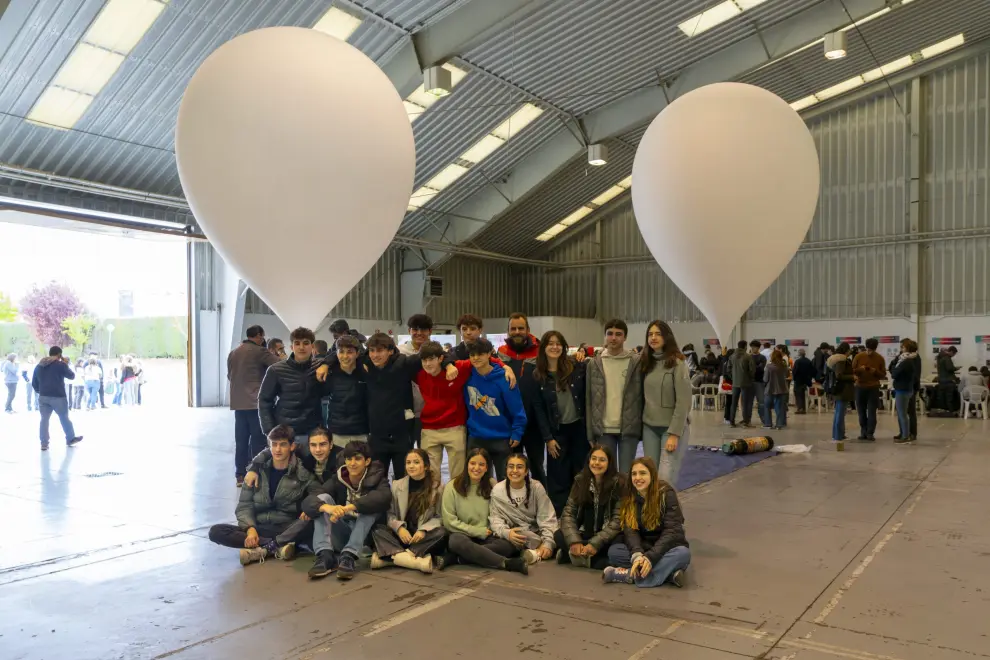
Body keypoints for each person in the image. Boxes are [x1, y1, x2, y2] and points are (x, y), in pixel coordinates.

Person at [207, 425, 314, 566]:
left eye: (282, 445)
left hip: (286, 526)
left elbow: (314, 496)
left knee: (311, 523)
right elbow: (244, 505)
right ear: (269, 446)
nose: (277, 449)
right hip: (259, 526)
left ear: (292, 446)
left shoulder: (302, 474)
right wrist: (250, 529)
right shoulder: (255, 473)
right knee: (216, 531)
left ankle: (265, 548)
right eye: (274, 445)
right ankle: (276, 547)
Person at [417, 340, 514, 481]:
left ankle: (456, 501)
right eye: (424, 360)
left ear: (441, 358)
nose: (427, 364)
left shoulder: (459, 368)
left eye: (431, 359)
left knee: (458, 475)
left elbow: (483, 359)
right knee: (430, 476)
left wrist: (505, 366)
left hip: (454, 427)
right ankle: (434, 503)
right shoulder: (419, 374)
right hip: (429, 429)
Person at [304, 440, 391, 580]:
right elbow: (310, 500)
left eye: (357, 459)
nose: (352, 463)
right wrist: (328, 508)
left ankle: (348, 556)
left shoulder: (378, 478)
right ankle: (325, 556)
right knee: (322, 498)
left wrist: (349, 507)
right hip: (343, 532)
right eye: (349, 459)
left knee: (371, 506)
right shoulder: (338, 478)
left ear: (367, 461)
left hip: (367, 538)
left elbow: (384, 497)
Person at [525, 330, 587, 515]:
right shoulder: (538, 375)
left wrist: (584, 353)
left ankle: (581, 512)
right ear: (543, 348)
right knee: (557, 476)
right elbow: (539, 410)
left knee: (580, 473)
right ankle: (560, 515)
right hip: (556, 432)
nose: (554, 347)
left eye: (558, 343)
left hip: (578, 429)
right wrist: (548, 438)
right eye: (550, 343)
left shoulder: (575, 367)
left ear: (564, 347)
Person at [439, 448, 529, 575]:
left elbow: (500, 513)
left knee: (509, 544)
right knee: (455, 542)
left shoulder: (492, 484)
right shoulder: (452, 486)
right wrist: (477, 531)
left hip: (488, 535)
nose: (476, 468)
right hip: (463, 534)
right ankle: (506, 563)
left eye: (481, 464)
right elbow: (449, 522)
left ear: (487, 468)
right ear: (467, 465)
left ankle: (458, 558)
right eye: (473, 463)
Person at [603, 457, 690, 587]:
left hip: (666, 548)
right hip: (644, 547)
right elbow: (630, 530)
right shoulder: (629, 496)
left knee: (683, 554)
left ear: (652, 475)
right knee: (614, 552)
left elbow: (672, 531)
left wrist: (651, 558)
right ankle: (669, 575)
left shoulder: (666, 493)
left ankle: (630, 575)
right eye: (634, 474)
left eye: (643, 473)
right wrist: (637, 555)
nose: (638, 478)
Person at [370, 448, 446, 574]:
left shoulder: (438, 487)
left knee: (442, 532)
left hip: (421, 538)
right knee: (376, 529)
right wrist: (399, 528)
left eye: (416, 462)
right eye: (408, 462)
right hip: (401, 536)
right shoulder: (396, 485)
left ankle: (392, 558)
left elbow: (439, 516)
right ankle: (414, 562)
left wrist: (423, 530)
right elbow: (390, 513)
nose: (411, 466)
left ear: (426, 466)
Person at [464, 338, 527, 481]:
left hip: (501, 438)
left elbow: (517, 408)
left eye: (480, 354)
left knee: (505, 481)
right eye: (472, 355)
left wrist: (517, 432)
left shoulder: (504, 378)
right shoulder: (467, 376)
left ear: (489, 354)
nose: (475, 358)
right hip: (476, 438)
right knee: (477, 483)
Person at [638, 321, 692, 484]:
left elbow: (684, 402)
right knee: (650, 476)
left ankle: (668, 509)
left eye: (658, 334)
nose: (653, 338)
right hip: (650, 427)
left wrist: (674, 434)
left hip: (671, 429)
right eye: (650, 334)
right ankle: (652, 510)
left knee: (665, 479)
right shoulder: (646, 363)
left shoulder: (678, 363)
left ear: (666, 337)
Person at [555, 445, 624, 569]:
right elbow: (568, 513)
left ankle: (574, 557)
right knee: (559, 535)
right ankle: (593, 560)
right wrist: (575, 541)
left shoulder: (619, 483)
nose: (597, 463)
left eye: (602, 460)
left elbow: (617, 521)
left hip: (605, 538)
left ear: (610, 463)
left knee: (619, 542)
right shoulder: (580, 480)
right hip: (584, 535)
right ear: (589, 460)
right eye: (594, 459)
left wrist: (595, 544)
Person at [586, 319, 642, 472]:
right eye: (609, 334)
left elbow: (642, 396)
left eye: (618, 334)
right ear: (605, 336)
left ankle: (626, 497)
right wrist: (590, 432)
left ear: (625, 337)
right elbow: (589, 401)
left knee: (625, 475)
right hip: (603, 429)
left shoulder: (636, 362)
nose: (613, 338)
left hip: (629, 429)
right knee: (606, 474)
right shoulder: (594, 364)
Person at [496, 313, 545, 484]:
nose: (517, 332)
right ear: (508, 331)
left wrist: (584, 352)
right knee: (511, 468)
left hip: (534, 423)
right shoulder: (501, 353)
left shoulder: (540, 352)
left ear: (528, 330)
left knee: (537, 467)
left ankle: (541, 505)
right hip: (510, 423)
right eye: (513, 329)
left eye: (521, 328)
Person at [227, 324, 278, 486]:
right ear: (259, 336)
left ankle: (240, 475)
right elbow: (279, 366)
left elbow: (230, 376)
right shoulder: (261, 351)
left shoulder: (233, 353)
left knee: (241, 440)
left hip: (238, 404)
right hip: (255, 404)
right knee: (258, 440)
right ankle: (256, 473)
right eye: (262, 337)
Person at [258, 327, 323, 447]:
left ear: (312, 346)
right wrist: (269, 431)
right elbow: (264, 400)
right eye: (297, 343)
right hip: (285, 432)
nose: (301, 347)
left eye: (306, 343)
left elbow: (338, 358)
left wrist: (327, 364)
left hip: (313, 432)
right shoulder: (275, 370)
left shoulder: (320, 367)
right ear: (291, 347)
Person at [490, 453, 558, 565]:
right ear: (506, 469)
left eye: (520, 467)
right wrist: (507, 533)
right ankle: (534, 552)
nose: (515, 470)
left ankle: (538, 551)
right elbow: (495, 519)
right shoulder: (498, 490)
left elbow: (547, 517)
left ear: (526, 471)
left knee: (558, 535)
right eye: (511, 466)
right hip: (513, 536)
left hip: (536, 534)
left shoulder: (536, 487)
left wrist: (547, 543)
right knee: (503, 546)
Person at [245, 426, 340, 495]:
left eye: (323, 444)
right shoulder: (307, 456)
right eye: (313, 445)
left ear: (331, 445)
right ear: (309, 445)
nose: (318, 449)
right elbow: (273, 450)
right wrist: (254, 467)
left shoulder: (342, 458)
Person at [320, 335, 369, 449]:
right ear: (336, 354)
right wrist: (325, 364)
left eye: (350, 352)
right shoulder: (330, 373)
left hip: (361, 433)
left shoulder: (365, 371)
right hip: (337, 433)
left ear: (357, 354)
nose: (345, 356)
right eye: (341, 352)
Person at [32, 347, 83, 451]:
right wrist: (66, 364)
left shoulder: (39, 365)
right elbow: (72, 376)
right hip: (58, 396)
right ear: (59, 355)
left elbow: (34, 383)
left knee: (44, 420)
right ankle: (70, 439)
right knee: (64, 418)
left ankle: (44, 443)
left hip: (43, 397)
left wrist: (41, 391)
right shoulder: (60, 365)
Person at [398, 313, 434, 448]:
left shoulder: (436, 351)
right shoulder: (399, 351)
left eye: (423, 330)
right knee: (405, 454)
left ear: (430, 331)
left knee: (426, 454)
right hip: (406, 411)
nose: (419, 333)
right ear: (409, 331)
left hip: (428, 411)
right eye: (415, 329)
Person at [852, 338, 886, 441]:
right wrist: (860, 370)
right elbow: (852, 371)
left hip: (873, 387)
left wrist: (874, 371)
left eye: (871, 350)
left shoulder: (879, 358)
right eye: (868, 350)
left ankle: (869, 433)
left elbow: (883, 375)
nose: (869, 352)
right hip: (860, 387)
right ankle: (864, 432)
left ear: (875, 348)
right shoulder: (858, 356)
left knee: (871, 412)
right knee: (861, 411)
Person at [890, 340, 919, 444]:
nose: (901, 349)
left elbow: (894, 374)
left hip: (902, 389)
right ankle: (904, 434)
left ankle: (905, 436)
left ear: (907, 348)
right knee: (903, 413)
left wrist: (894, 368)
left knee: (902, 414)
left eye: (903, 347)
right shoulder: (907, 360)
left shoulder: (906, 362)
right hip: (906, 388)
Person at [827, 343, 855, 442]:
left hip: (838, 389)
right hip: (843, 389)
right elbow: (839, 375)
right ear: (846, 350)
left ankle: (838, 434)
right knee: (840, 414)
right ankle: (838, 436)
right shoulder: (841, 360)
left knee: (839, 413)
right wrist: (853, 377)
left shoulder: (834, 359)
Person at [728, 340, 755, 428]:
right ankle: (746, 422)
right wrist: (750, 378)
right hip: (746, 383)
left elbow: (728, 369)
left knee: (734, 403)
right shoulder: (748, 356)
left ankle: (732, 421)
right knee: (745, 403)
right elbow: (752, 370)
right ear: (745, 346)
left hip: (735, 383)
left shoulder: (732, 356)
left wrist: (733, 378)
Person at [764, 349, 789, 430]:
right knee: (780, 407)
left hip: (770, 389)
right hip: (782, 389)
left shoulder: (769, 367)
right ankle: (779, 424)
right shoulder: (784, 366)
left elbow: (765, 379)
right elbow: (787, 375)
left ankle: (768, 424)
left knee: (767, 406)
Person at [749, 340, 769, 427]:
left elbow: (760, 369)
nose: (753, 349)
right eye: (752, 347)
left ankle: (764, 419)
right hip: (749, 382)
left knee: (761, 402)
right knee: (748, 402)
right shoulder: (748, 357)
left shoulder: (762, 357)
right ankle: (747, 420)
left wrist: (752, 367)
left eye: (755, 347)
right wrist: (755, 367)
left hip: (759, 382)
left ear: (758, 348)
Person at [792, 348, 815, 414]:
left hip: (799, 380)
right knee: (803, 394)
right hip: (806, 380)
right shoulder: (808, 361)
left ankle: (800, 408)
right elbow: (812, 371)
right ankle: (804, 408)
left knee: (798, 394)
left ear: (799, 354)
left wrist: (794, 378)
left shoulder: (797, 361)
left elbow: (794, 371)